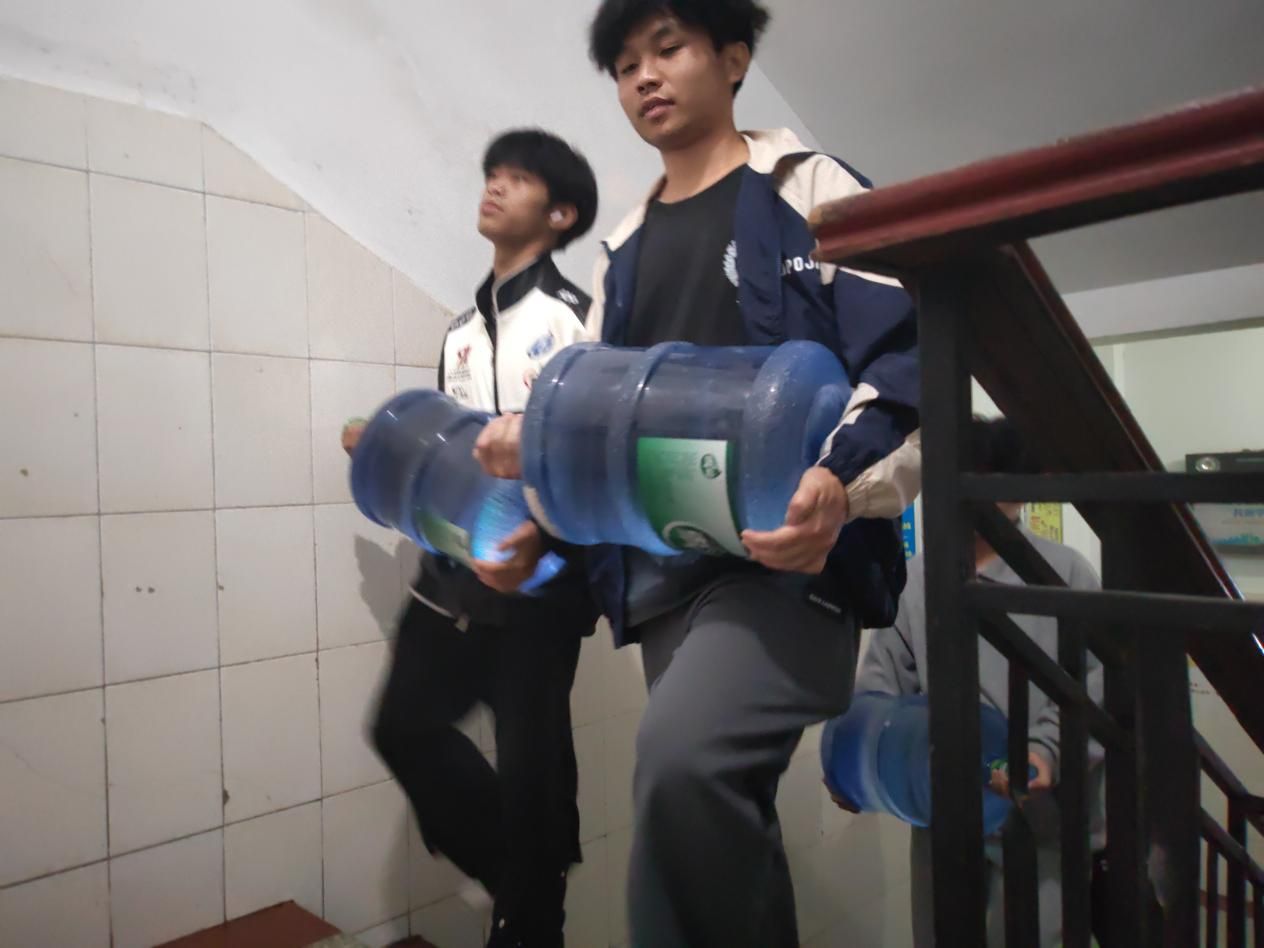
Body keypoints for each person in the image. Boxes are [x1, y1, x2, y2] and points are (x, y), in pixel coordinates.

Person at [472, 3, 921, 944]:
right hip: (667, 574)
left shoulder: (811, 190)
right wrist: (538, 522)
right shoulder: (624, 254)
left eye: (667, 48)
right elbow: (596, 429)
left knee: (682, 763)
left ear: (734, 57)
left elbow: (905, 362)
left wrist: (839, 485)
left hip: (790, 565)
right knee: (702, 814)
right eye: (625, 64)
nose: (644, 76)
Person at [343, 128, 600, 948]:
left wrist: (548, 547)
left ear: (560, 214)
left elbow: (595, 457)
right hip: (451, 571)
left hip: (541, 582)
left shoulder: (577, 322)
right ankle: (523, 881)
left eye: (517, 178)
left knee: (533, 771)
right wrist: (380, 446)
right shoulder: (459, 332)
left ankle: (528, 914)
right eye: (492, 173)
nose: (494, 186)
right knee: (401, 728)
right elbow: (448, 450)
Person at [850, 416, 1105, 948]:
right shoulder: (916, 580)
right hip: (945, 822)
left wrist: (1044, 750)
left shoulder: (1064, 574)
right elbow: (880, 691)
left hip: (1042, 825)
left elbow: (1093, 686)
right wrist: (859, 762)